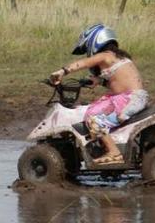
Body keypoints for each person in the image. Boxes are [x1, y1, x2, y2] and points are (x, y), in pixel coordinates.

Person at [49, 24, 149, 165]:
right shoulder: (118, 57)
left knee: (94, 120)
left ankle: (114, 153)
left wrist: (62, 71)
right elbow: (120, 82)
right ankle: (104, 145)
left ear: (95, 41)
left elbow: (83, 63)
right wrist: (100, 81)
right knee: (94, 109)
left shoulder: (105, 56)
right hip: (133, 97)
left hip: (129, 99)